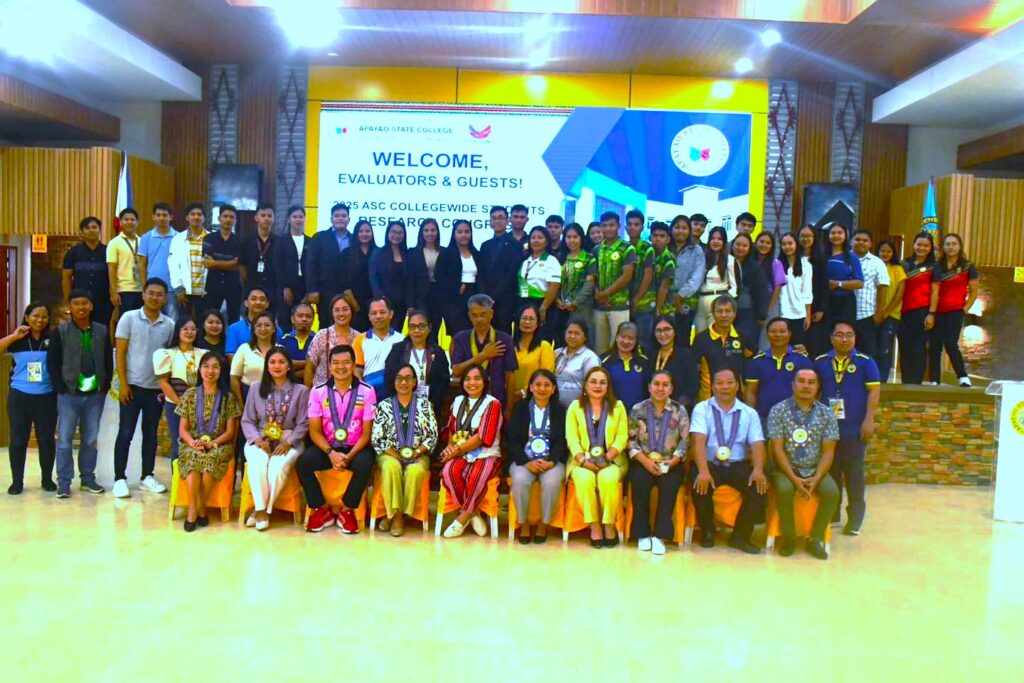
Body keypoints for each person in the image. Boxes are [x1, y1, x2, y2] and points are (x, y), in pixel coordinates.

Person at [299, 344, 377, 534]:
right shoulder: (318, 391)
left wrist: (349, 457)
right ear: (329, 366)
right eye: (336, 363)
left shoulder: (367, 391)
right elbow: (314, 431)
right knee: (303, 463)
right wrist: (331, 453)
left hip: (355, 447)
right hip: (328, 447)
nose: (341, 367)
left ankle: (347, 510)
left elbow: (366, 434)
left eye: (346, 362)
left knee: (365, 464)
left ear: (354, 365)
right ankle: (320, 509)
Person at [690, 367, 767, 553]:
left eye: (730, 383)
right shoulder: (702, 408)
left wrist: (758, 470)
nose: (725, 387)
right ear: (713, 387)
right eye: (720, 383)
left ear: (737, 386)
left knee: (758, 489)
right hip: (709, 462)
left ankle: (740, 536)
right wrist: (703, 471)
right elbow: (698, 441)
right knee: (700, 485)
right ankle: (708, 531)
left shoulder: (749, 413)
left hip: (737, 464)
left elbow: (758, 444)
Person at [814, 320, 880, 536]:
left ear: (855, 338)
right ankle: (832, 514)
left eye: (849, 335)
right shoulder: (821, 362)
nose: (845, 339)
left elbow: (874, 393)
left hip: (854, 427)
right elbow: (814, 392)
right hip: (827, 429)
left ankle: (855, 519)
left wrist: (869, 420)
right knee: (830, 471)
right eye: (840, 335)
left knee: (854, 474)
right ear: (831, 338)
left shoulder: (866, 362)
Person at [767, 367, 840, 559]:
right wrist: (794, 478)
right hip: (785, 469)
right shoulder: (778, 410)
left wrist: (817, 478)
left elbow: (828, 452)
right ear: (793, 385)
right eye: (801, 381)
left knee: (832, 492)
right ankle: (789, 537)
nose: (806, 386)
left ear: (818, 387)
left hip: (815, 469)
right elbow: (777, 449)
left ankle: (814, 538)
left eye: (811, 382)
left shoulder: (827, 414)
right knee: (784, 489)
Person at [112, 278, 175, 498]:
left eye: (159, 294)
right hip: (131, 386)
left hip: (155, 389)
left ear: (165, 298)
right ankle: (119, 479)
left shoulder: (169, 325)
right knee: (125, 432)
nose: (154, 297)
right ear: (143, 295)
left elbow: (169, 357)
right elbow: (120, 353)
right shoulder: (128, 318)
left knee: (150, 434)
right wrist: (123, 384)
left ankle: (147, 476)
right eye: (151, 293)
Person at [48, 290, 111, 497]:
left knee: (90, 439)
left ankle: (88, 478)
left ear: (91, 306)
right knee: (65, 440)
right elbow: (53, 362)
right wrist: (60, 387)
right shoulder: (61, 331)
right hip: (69, 394)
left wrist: (105, 386)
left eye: (85, 303)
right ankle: (64, 482)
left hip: (94, 395)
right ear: (70, 307)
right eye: (76, 303)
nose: (81, 307)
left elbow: (107, 360)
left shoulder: (102, 330)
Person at [240, 346, 309, 531]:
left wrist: (288, 442)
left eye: (281, 362)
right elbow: (247, 420)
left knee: (277, 467)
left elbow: (303, 423)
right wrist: (256, 439)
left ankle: (263, 511)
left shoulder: (301, 390)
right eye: (272, 362)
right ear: (267, 366)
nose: (277, 366)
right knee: (257, 462)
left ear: (289, 366)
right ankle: (262, 509)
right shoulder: (255, 388)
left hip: (289, 440)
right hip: (259, 439)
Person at [175, 351, 242, 531]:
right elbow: (183, 429)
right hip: (192, 443)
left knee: (209, 461)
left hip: (219, 445)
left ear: (221, 371)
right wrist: (192, 443)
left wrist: (212, 444)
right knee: (192, 460)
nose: (210, 371)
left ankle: (195, 508)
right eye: (206, 366)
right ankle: (197, 510)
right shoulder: (189, 394)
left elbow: (230, 431)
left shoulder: (228, 397)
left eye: (215, 367)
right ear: (200, 370)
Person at [370, 363, 438, 537]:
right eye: (399, 378)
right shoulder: (384, 406)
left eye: (408, 378)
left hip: (418, 454)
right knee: (391, 467)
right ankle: (398, 516)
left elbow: (432, 436)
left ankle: (394, 515)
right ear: (393, 382)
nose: (403, 383)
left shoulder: (425, 406)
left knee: (415, 471)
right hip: (389, 454)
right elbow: (377, 438)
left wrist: (417, 452)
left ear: (415, 382)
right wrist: (396, 455)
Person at [627, 370, 690, 555]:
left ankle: (660, 536)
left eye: (665, 385)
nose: (660, 388)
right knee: (640, 481)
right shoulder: (638, 409)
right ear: (649, 387)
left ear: (671, 389)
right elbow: (631, 441)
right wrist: (645, 461)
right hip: (643, 461)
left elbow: (686, 440)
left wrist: (673, 462)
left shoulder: (679, 410)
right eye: (656, 384)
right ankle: (642, 534)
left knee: (669, 485)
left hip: (671, 463)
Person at [566, 366, 629, 548]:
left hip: (611, 461)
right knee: (584, 479)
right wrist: (582, 460)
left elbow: (622, 437)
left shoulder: (618, 407)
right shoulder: (575, 407)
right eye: (593, 382)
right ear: (585, 385)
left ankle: (608, 525)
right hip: (581, 461)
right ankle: (594, 526)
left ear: (608, 386)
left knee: (608, 479)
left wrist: (607, 458)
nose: (597, 386)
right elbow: (572, 438)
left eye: (602, 382)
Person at [440, 364, 504, 538]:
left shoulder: (493, 403)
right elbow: (452, 430)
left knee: (477, 475)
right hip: (461, 453)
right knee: (449, 471)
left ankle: (461, 520)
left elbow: (484, 437)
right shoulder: (458, 401)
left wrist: (456, 450)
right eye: (467, 379)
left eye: (477, 378)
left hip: (486, 453)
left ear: (485, 382)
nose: (472, 383)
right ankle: (473, 513)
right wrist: (450, 448)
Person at [506, 369, 566, 544]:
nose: (542, 388)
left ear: (553, 389)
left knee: (552, 482)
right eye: (538, 384)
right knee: (520, 481)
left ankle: (543, 524)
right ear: (531, 387)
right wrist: (526, 462)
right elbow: (512, 439)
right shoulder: (520, 408)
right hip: (524, 460)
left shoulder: (559, 410)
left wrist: (552, 461)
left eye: (547, 385)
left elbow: (562, 440)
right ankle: (523, 523)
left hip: (551, 461)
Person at [2, 302, 56, 495]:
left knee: (46, 440)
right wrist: (13, 336)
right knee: (18, 440)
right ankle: (17, 482)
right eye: (35, 316)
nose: (39, 320)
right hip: (20, 396)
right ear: (27, 317)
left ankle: (47, 479)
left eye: (44, 316)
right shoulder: (19, 339)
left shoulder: (53, 338)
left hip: (46, 397)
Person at [450, 293, 518, 409]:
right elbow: (456, 371)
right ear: (469, 316)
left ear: (491, 314)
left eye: (483, 315)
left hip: (496, 400)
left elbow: (510, 377)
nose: (479, 319)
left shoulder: (504, 339)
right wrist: (482, 356)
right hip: (468, 402)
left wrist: (509, 408)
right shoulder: (461, 338)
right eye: (475, 315)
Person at [929, 233, 980, 387]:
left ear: (959, 246)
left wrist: (964, 310)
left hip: (956, 311)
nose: (951, 247)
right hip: (937, 311)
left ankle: (962, 377)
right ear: (943, 247)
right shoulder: (937, 266)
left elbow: (974, 292)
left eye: (954, 243)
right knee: (935, 346)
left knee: (951, 344)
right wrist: (931, 312)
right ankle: (934, 380)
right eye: (948, 244)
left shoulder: (968, 266)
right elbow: (934, 291)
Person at [744, 317, 814, 426]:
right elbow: (751, 392)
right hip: (765, 419)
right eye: (773, 331)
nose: (778, 335)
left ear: (789, 334)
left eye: (782, 331)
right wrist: (752, 419)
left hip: (796, 420)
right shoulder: (757, 361)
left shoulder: (802, 360)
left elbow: (811, 389)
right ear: (767, 334)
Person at [154, 316, 204, 464]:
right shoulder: (167, 354)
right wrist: (181, 404)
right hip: (175, 405)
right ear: (178, 331)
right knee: (179, 444)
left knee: (199, 444)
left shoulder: (204, 354)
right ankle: (177, 477)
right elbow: (163, 382)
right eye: (185, 329)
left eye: (193, 329)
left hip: (200, 406)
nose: (190, 332)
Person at [382, 309, 451, 415]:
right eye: (412, 326)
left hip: (430, 407)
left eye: (421, 326)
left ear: (429, 328)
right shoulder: (398, 349)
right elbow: (389, 376)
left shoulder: (438, 352)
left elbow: (444, 381)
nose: (417, 330)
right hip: (401, 405)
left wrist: (432, 403)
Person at [591, 212, 637, 354]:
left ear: (618, 226)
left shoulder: (627, 248)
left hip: (619, 306)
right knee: (599, 348)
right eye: (604, 225)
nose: (608, 229)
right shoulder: (596, 249)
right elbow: (592, 275)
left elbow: (626, 276)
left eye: (612, 225)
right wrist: (598, 294)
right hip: (599, 306)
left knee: (618, 347)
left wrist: (605, 294)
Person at [692, 294, 748, 401]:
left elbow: (750, 362)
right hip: (708, 399)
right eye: (719, 311)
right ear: (713, 314)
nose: (723, 315)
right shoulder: (701, 339)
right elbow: (695, 370)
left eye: (728, 311)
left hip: (737, 399)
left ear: (734, 313)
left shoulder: (742, 337)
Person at [306, 202, 352, 329]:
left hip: (348, 292)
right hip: (325, 290)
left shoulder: (354, 239)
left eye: (343, 216)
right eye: (337, 216)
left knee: (347, 324)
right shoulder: (320, 237)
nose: (340, 218)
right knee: (325, 324)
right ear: (331, 219)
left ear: (349, 219)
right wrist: (312, 289)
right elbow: (311, 264)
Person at [898, 232, 936, 385]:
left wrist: (931, 313)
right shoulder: (904, 264)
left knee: (918, 349)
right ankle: (905, 383)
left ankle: (915, 385)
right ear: (913, 245)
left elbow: (935, 291)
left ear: (931, 248)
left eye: (926, 245)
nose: (922, 248)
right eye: (919, 244)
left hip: (922, 312)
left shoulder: (934, 267)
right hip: (902, 312)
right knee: (904, 349)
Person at [478, 205, 522, 333]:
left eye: (501, 218)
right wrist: (484, 295)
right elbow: (481, 273)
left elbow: (511, 274)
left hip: (505, 298)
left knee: (503, 333)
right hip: (485, 299)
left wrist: (494, 296)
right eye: (494, 218)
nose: (497, 221)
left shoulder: (515, 244)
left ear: (507, 221)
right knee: (485, 332)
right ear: (490, 221)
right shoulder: (485, 245)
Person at [550, 222, 595, 343]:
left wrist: (575, 303)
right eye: (568, 237)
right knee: (561, 340)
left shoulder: (589, 258)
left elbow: (589, 285)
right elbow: (554, 282)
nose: (572, 240)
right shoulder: (560, 257)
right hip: (561, 308)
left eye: (575, 237)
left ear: (581, 238)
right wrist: (556, 300)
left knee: (580, 339)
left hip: (581, 308)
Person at [62, 216, 111, 327]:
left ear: (100, 230)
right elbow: (66, 278)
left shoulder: (109, 251)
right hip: (80, 302)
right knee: (79, 329)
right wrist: (68, 300)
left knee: (101, 330)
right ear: (82, 231)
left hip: (103, 301)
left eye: (94, 227)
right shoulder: (73, 252)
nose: (91, 230)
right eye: (87, 228)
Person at [434, 218, 480, 335]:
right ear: (454, 234)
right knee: (457, 334)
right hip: (453, 300)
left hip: (473, 297)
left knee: (472, 333)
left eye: (467, 232)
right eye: (460, 232)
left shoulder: (476, 253)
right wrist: (455, 287)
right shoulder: (446, 254)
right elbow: (438, 275)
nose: (464, 235)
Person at [304, 294, 361, 388]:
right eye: (337, 310)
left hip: (351, 392)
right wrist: (309, 394)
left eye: (345, 309)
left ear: (351, 311)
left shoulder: (359, 338)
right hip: (322, 393)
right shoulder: (322, 335)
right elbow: (309, 368)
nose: (341, 313)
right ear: (332, 313)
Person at [352, 297, 405, 397]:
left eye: (382, 312)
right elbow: (358, 370)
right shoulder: (359, 340)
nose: (378, 316)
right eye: (374, 313)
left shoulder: (402, 339)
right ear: (369, 317)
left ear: (391, 314)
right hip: (369, 395)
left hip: (395, 394)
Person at [635, 221, 676, 347]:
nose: (658, 239)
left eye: (662, 236)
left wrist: (657, 311)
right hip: (649, 304)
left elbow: (664, 287)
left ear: (668, 239)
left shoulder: (668, 258)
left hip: (664, 307)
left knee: (661, 341)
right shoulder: (650, 254)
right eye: (655, 235)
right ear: (650, 237)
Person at [517, 226, 561, 338]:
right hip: (523, 302)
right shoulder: (525, 260)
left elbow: (554, 286)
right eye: (533, 238)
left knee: (540, 337)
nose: (536, 240)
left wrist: (543, 307)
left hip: (542, 304)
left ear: (547, 241)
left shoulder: (551, 260)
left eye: (540, 238)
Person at [167, 201, 209, 320]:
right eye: (193, 214)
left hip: (205, 292)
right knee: (184, 323)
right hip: (184, 292)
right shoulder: (178, 239)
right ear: (187, 217)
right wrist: (178, 289)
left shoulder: (211, 238)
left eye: (199, 214)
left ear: (204, 218)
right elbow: (173, 266)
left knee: (203, 323)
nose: (196, 217)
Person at [851, 229, 889, 357]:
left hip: (867, 315)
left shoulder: (877, 262)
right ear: (851, 242)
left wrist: (879, 313)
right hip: (845, 313)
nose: (861, 242)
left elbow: (882, 287)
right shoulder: (844, 259)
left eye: (865, 240)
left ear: (870, 244)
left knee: (867, 354)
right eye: (857, 240)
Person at [509, 303, 555, 410]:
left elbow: (546, 377)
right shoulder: (509, 345)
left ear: (538, 323)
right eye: (524, 318)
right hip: (508, 399)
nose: (527, 322)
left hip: (533, 400)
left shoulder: (544, 346)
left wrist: (522, 393)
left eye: (531, 319)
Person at [202, 204, 243, 324]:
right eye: (225, 216)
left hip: (234, 286)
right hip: (213, 284)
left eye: (231, 217)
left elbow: (238, 265)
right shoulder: (209, 238)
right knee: (210, 318)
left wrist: (215, 263)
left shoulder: (241, 241)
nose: (228, 219)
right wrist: (230, 263)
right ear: (219, 218)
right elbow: (207, 263)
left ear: (235, 221)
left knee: (234, 319)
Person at [138, 202, 178, 319]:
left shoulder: (179, 237)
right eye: (158, 215)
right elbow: (142, 264)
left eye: (165, 215)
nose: (161, 218)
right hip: (152, 288)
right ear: (153, 217)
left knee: (172, 320)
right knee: (151, 318)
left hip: (173, 288)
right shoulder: (146, 238)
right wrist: (145, 286)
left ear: (171, 217)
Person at [406, 218, 446, 335]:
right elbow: (410, 280)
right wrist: (410, 303)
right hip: (420, 298)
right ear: (421, 233)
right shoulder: (413, 252)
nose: (430, 233)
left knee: (435, 330)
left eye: (433, 230)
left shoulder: (444, 252)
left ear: (437, 232)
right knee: (420, 329)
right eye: (426, 230)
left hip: (439, 297)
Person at [648, 315, 698, 408]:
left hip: (677, 409)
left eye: (667, 329)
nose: (663, 334)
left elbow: (692, 385)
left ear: (675, 331)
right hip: (652, 408)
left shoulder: (686, 355)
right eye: (658, 330)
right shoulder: (649, 355)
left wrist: (676, 408)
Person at [671, 215, 706, 345]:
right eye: (677, 227)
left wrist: (680, 295)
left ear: (689, 230)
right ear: (671, 229)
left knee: (682, 339)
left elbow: (697, 277)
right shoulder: (664, 248)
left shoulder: (697, 250)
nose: (680, 231)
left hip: (687, 302)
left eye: (684, 228)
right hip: (665, 300)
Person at [369, 220, 411, 330]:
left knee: (397, 333)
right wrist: (380, 299)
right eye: (393, 232)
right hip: (384, 302)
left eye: (400, 232)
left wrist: (409, 303)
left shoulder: (407, 254)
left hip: (402, 304)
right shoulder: (378, 253)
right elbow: (373, 277)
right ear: (388, 233)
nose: (396, 235)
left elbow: (410, 280)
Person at [274, 205, 309, 333]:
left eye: (301, 217)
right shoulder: (281, 240)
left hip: (304, 286)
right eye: (294, 217)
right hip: (286, 286)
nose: (298, 220)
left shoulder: (310, 241)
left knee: (304, 318)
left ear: (305, 218)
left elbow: (312, 267)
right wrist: (285, 287)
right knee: (285, 319)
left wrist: (310, 290)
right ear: (289, 219)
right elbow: (278, 265)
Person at [731, 233, 769, 353]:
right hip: (726, 310)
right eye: (738, 244)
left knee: (746, 345)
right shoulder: (725, 262)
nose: (740, 248)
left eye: (744, 246)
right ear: (732, 245)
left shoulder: (755, 267)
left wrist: (762, 315)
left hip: (747, 312)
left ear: (749, 248)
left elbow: (762, 292)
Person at [230, 311, 278, 407]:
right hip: (247, 396)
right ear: (254, 330)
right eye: (259, 325)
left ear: (273, 329)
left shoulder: (280, 350)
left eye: (267, 325)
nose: (263, 328)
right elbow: (234, 379)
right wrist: (241, 406)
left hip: (275, 397)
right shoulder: (244, 349)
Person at [695, 226, 737, 333]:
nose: (715, 241)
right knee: (700, 336)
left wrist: (725, 302)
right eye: (713, 238)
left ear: (724, 242)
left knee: (714, 336)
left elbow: (734, 287)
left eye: (719, 239)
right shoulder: (702, 257)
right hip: (700, 302)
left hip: (718, 302)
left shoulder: (730, 260)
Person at [874, 240, 905, 383]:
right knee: (872, 347)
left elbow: (899, 293)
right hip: (872, 314)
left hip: (891, 315)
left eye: (888, 251)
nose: (885, 254)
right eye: (882, 251)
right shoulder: (873, 266)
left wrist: (886, 312)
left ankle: (883, 380)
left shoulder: (897, 269)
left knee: (885, 348)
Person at [553, 317, 601, 409]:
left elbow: (593, 387)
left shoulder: (590, 358)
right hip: (556, 410)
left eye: (577, 333)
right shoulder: (557, 353)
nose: (572, 336)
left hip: (579, 410)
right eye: (569, 332)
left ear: (585, 337)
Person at [602, 321, 649, 412]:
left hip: (639, 414)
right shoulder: (605, 361)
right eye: (623, 337)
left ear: (636, 341)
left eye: (631, 338)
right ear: (616, 337)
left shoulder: (644, 361)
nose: (626, 341)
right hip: (613, 413)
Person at [777, 232, 814, 348]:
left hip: (799, 313)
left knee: (798, 348)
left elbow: (807, 292)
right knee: (781, 346)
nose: (787, 247)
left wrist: (807, 315)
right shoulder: (777, 264)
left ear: (796, 244)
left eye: (790, 243)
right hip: (781, 312)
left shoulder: (806, 265)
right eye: (784, 244)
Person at [824, 224, 864, 328]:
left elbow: (860, 283)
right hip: (824, 302)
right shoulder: (822, 256)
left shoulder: (851, 257)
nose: (836, 235)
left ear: (845, 236)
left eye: (840, 233)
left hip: (845, 303)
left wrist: (838, 284)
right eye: (833, 233)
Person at [339, 220, 377, 330]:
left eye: (367, 231)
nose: (364, 234)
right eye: (361, 231)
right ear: (356, 233)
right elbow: (343, 279)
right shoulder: (347, 253)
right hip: (353, 301)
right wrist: (352, 302)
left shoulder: (378, 252)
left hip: (374, 300)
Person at [799, 224, 830, 357]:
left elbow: (824, 286)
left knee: (814, 343)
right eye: (802, 236)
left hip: (815, 306)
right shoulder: (793, 256)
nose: (805, 239)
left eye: (809, 236)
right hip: (794, 305)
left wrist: (821, 309)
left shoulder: (821, 259)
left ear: (814, 238)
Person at [224, 285, 282, 357]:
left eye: (262, 299)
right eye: (253, 299)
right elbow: (230, 356)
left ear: (267, 304)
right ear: (246, 303)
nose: (258, 302)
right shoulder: (234, 329)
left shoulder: (276, 330)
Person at [754, 231, 787, 351]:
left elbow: (777, 290)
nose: (764, 245)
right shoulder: (750, 262)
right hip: (752, 305)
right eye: (762, 241)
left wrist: (767, 313)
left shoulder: (776, 264)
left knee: (765, 342)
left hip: (770, 306)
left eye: (768, 243)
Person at [107, 207, 143, 313]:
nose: (129, 222)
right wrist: (113, 292)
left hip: (142, 289)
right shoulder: (114, 243)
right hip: (124, 290)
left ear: (137, 222)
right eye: (126, 219)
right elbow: (112, 269)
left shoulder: (143, 241)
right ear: (120, 222)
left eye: (132, 220)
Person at [625, 209, 655, 334]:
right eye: (630, 224)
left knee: (644, 339)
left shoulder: (647, 248)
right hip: (626, 301)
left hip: (644, 302)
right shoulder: (623, 247)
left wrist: (636, 299)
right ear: (625, 227)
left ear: (642, 227)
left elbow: (648, 276)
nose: (633, 227)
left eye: (636, 224)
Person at [240, 203, 278, 296]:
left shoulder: (280, 241)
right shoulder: (246, 241)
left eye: (269, 216)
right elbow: (242, 267)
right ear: (256, 218)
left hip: (273, 289)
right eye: (263, 215)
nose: (266, 218)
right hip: (251, 287)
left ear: (274, 218)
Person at [279, 302, 315, 380]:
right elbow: (281, 365)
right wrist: (309, 364)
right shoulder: (283, 340)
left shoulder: (318, 340)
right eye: (300, 316)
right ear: (292, 319)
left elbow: (320, 366)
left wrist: (294, 369)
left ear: (313, 319)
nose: (304, 319)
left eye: (308, 316)